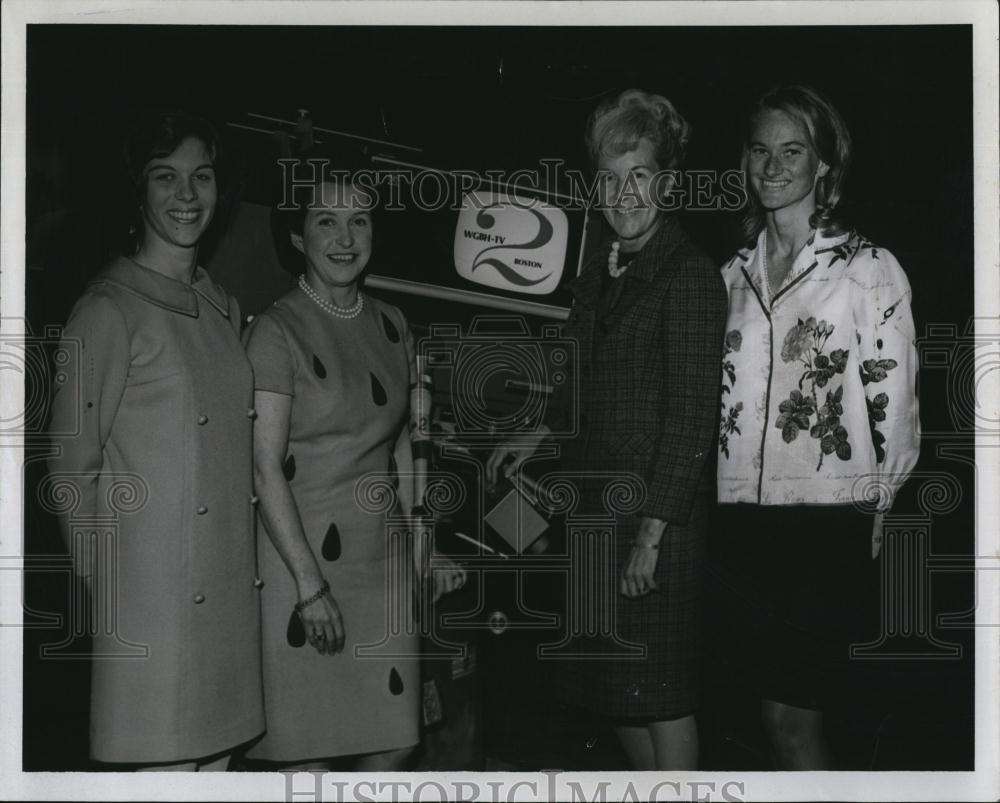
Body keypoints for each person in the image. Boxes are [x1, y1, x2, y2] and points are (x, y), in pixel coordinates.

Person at [487, 89, 728, 770]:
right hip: (597, 508)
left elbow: (691, 420)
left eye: (639, 175)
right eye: (609, 178)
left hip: (657, 519)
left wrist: (650, 537)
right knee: (611, 690)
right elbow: (577, 378)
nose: (624, 195)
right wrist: (535, 433)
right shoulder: (602, 272)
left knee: (661, 697)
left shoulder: (689, 276)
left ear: (668, 183)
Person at [46, 111, 265, 769]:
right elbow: (69, 471)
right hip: (153, 612)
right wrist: (113, 597)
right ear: (138, 191)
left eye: (202, 176)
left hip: (226, 604)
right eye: (165, 176)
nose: (187, 194)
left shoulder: (222, 306)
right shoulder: (106, 309)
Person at [711, 84, 920, 769]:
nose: (772, 166)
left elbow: (895, 402)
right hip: (741, 522)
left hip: (827, 522)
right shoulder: (729, 276)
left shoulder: (867, 269)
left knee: (792, 720)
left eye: (792, 151)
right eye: (760, 150)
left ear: (823, 163)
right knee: (762, 720)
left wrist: (880, 501)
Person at [243, 161, 465, 769]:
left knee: (396, 740)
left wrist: (425, 541)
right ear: (296, 235)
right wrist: (309, 586)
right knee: (307, 756)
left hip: (382, 563)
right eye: (326, 221)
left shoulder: (392, 324)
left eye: (359, 220)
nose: (345, 238)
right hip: (301, 561)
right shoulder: (275, 332)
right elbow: (263, 468)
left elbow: (405, 447)